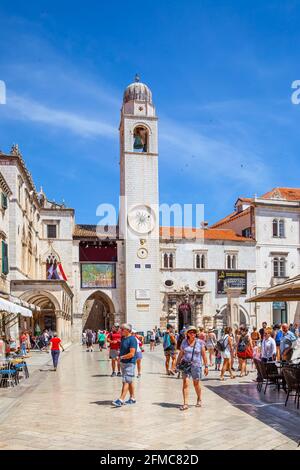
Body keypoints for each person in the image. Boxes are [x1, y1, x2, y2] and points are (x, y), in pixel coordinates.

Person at [176, 326, 208, 411]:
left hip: (197, 365)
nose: (193, 333)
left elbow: (204, 355)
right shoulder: (184, 342)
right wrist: (176, 363)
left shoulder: (200, 342)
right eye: (191, 332)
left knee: (196, 384)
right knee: (185, 383)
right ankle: (185, 403)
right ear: (187, 334)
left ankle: (199, 398)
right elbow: (181, 353)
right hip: (186, 365)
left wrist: (206, 366)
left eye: (194, 332)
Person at [112, 324, 137, 407]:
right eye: (120, 329)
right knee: (129, 380)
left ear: (128, 330)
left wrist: (122, 357)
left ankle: (121, 399)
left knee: (125, 381)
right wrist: (119, 355)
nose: (120, 331)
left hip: (130, 363)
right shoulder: (123, 338)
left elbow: (132, 353)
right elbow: (122, 349)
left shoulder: (132, 339)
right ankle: (132, 398)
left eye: (122, 329)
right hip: (123, 362)